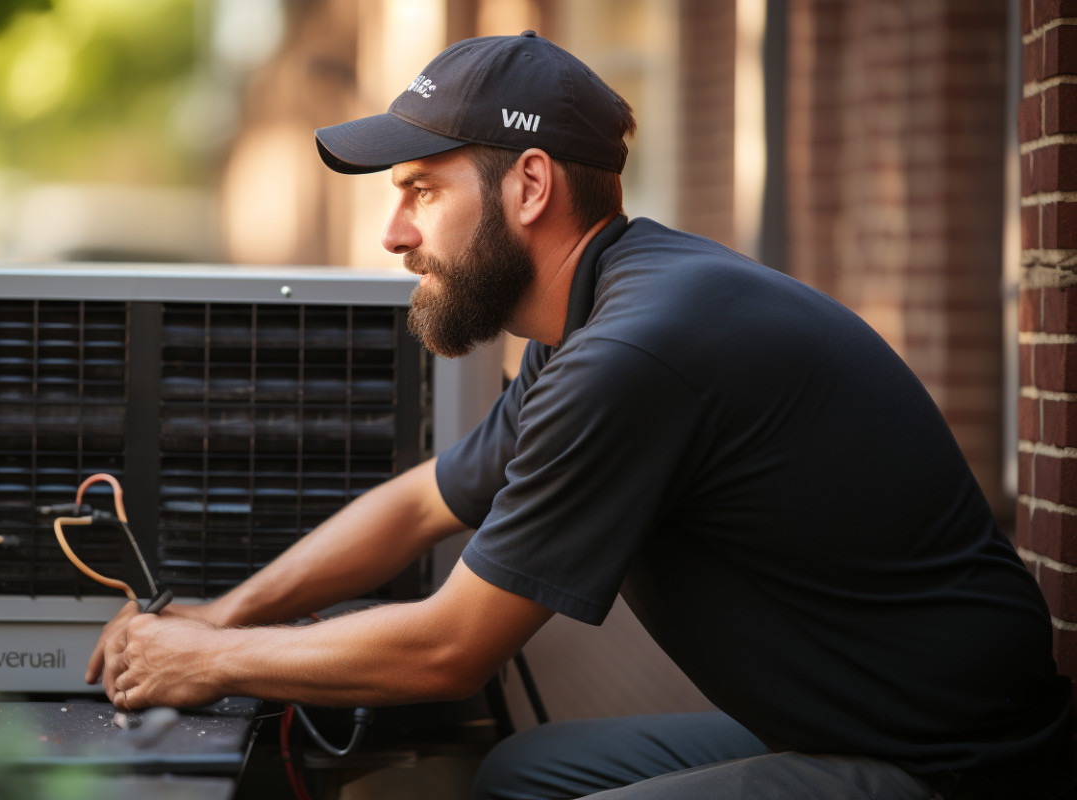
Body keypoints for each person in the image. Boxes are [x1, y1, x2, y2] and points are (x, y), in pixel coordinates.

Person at [87, 32, 1075, 799]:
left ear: (528, 184)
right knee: (525, 771)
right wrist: (219, 612)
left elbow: (447, 646)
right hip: (848, 722)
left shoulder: (634, 350)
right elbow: (421, 501)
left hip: (953, 761)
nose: (393, 233)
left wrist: (211, 660)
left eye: (420, 192)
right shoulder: (597, 317)